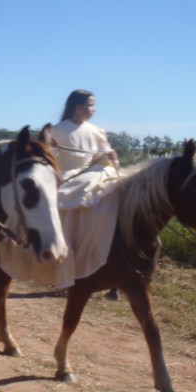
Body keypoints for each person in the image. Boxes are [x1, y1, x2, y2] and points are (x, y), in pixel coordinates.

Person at [53, 89, 122, 298]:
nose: (94, 109)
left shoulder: (96, 131)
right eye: (90, 105)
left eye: (93, 105)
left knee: (115, 187)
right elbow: (49, 159)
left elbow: (103, 161)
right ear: (78, 107)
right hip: (65, 177)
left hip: (90, 176)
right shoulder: (57, 130)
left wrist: (109, 157)